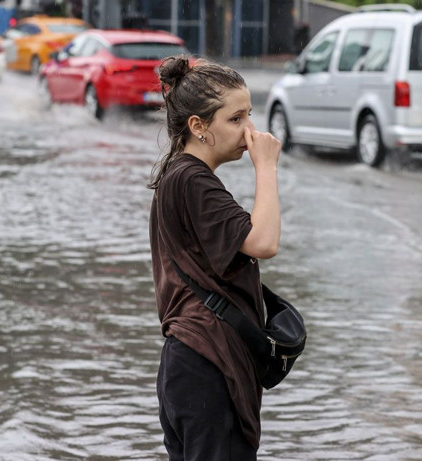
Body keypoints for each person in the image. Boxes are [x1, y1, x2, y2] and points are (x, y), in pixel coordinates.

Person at [148, 55, 282, 460]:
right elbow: (264, 242)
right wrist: (267, 168)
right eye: (236, 118)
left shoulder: (180, 173)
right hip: (207, 363)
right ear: (198, 126)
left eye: (250, 115)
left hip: (191, 361)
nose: (250, 131)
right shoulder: (193, 180)